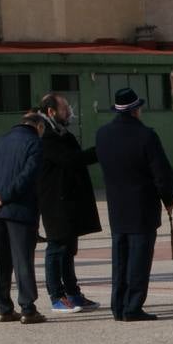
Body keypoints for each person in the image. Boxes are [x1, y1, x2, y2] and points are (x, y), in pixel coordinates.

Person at [98, 86, 173, 322]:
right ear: (136, 110)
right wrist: (169, 198)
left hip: (117, 207)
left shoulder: (103, 134)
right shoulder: (146, 135)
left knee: (120, 260)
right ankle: (133, 306)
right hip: (142, 207)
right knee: (139, 261)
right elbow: (161, 172)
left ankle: (118, 305)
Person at [0, 112, 46, 324]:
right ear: (39, 126)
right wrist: (4, 197)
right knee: (22, 260)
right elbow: (28, 175)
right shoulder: (35, 144)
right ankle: (27, 308)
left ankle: (4, 307)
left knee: (2, 261)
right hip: (20, 210)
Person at [36, 93, 102, 313]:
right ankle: (57, 296)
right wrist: (100, 150)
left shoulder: (62, 134)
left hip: (69, 202)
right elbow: (70, 160)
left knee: (68, 248)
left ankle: (73, 293)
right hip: (55, 202)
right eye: (64, 108)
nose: (69, 112)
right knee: (56, 247)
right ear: (51, 112)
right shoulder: (46, 137)